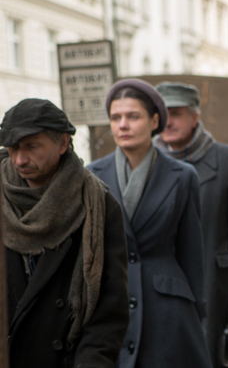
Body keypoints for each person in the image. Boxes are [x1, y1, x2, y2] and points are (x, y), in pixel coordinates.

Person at [87, 79, 212, 368]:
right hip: (112, 301)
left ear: (155, 120)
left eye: (133, 116)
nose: (123, 125)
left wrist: (196, 311)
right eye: (116, 118)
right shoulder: (92, 175)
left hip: (168, 307)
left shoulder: (182, 176)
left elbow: (192, 251)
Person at [0, 98, 129, 367]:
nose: (20, 159)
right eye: (12, 149)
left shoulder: (97, 204)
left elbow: (109, 306)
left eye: (31, 147)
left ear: (62, 143)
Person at [153, 81, 228, 366]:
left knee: (206, 357)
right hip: (160, 285)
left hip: (213, 286)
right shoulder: (145, 162)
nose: (168, 121)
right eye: (163, 114)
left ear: (195, 117)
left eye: (177, 113)